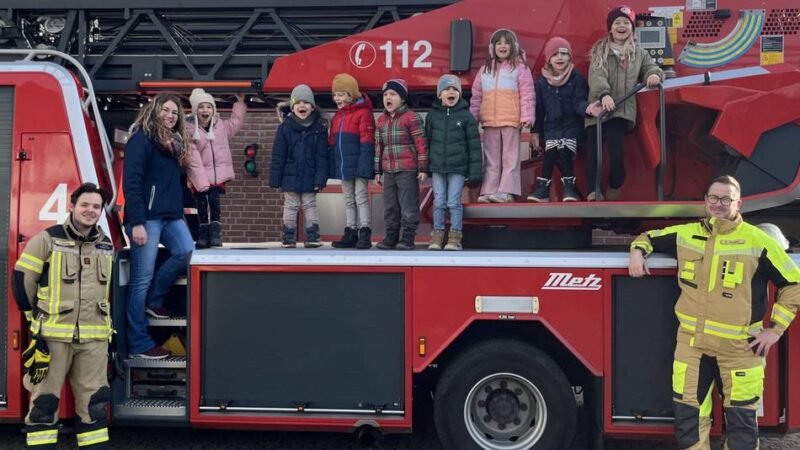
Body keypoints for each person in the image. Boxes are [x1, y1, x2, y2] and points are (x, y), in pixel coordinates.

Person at [628, 175, 800, 450]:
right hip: (692, 348)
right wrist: (637, 251)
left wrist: (775, 330)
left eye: (725, 199)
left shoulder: (758, 242)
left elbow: (794, 283)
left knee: (742, 426)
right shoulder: (685, 234)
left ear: (738, 203)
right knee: (688, 422)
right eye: (713, 198)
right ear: (706, 200)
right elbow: (648, 237)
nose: (718, 204)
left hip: (740, 351)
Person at [13, 183, 114, 449]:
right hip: (52, 339)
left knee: (95, 405)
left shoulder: (105, 245)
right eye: (85, 205)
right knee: (44, 404)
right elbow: (22, 280)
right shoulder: (47, 239)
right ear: (72, 206)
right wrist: (33, 322)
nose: (90, 211)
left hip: (94, 340)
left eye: (96, 206)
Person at [123, 93, 194, 359]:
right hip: (146, 219)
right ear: (154, 110)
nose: (170, 115)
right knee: (140, 280)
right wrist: (137, 223)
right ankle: (139, 343)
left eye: (175, 113)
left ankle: (154, 301)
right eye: (166, 110)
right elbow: (131, 183)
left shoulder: (174, 145)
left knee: (188, 254)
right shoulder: (140, 140)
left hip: (171, 215)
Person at [585, 5, 663, 201]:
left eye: (626, 23)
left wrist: (653, 74)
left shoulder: (639, 53)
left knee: (617, 156)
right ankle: (593, 192)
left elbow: (652, 67)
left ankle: (614, 188)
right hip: (598, 112)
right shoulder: (600, 51)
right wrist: (604, 95)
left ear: (632, 28)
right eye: (617, 23)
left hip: (621, 112)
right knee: (594, 155)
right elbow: (597, 75)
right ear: (610, 28)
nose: (621, 26)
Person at [528, 37, 600, 203]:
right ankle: (543, 189)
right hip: (552, 127)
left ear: (570, 57)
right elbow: (539, 110)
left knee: (564, 151)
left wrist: (587, 108)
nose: (559, 58)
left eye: (564, 53)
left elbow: (578, 102)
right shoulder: (542, 83)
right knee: (550, 154)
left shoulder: (577, 79)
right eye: (555, 55)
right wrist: (535, 131)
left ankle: (569, 188)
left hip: (572, 126)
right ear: (549, 59)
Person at [469, 28, 534, 203]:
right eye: (499, 43)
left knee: (510, 157)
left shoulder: (520, 68)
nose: (503, 46)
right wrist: (471, 120)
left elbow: (527, 93)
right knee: (491, 158)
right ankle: (489, 190)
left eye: (507, 43)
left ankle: (507, 191)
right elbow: (476, 97)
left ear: (514, 46)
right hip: (490, 121)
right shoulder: (484, 71)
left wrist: (527, 116)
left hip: (511, 120)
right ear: (492, 48)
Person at [425, 74, 482, 250]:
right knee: (439, 201)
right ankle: (437, 236)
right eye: (447, 89)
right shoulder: (432, 116)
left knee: (453, 202)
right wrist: (425, 167)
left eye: (455, 90)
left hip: (458, 167)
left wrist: (475, 172)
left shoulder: (466, 117)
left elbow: (474, 146)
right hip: (437, 168)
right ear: (439, 94)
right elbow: (427, 142)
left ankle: (455, 238)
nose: (451, 92)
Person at [185, 88, 247, 248]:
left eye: (208, 107)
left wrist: (239, 103)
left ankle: (215, 234)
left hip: (217, 175)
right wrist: (200, 180)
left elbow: (236, 122)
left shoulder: (221, 126)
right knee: (202, 204)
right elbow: (192, 157)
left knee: (214, 202)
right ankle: (203, 234)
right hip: (200, 175)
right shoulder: (189, 129)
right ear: (195, 110)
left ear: (213, 110)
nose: (205, 110)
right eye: (201, 107)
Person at [269, 84, 329, 248]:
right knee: (291, 205)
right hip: (290, 175)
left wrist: (320, 178)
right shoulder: (285, 128)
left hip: (310, 175)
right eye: (298, 103)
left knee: (310, 204)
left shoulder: (319, 129)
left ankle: (313, 235)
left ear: (312, 107)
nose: (302, 106)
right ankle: (288, 235)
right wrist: (275, 178)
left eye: (306, 103)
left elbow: (322, 157)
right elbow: (278, 155)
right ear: (293, 107)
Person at [374, 79, 428, 250]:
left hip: (407, 169)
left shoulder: (411, 117)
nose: (388, 98)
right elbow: (378, 146)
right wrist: (377, 170)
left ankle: (408, 237)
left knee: (408, 204)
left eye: (393, 94)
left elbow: (421, 143)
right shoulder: (381, 120)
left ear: (403, 98)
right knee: (390, 205)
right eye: (385, 95)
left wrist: (423, 167)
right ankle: (391, 236)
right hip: (389, 170)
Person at [328, 73, 376, 249]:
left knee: (360, 197)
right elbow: (333, 143)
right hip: (344, 167)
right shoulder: (337, 117)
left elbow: (367, 142)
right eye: (335, 95)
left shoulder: (363, 114)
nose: (337, 98)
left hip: (359, 165)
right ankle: (351, 231)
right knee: (348, 199)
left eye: (341, 94)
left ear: (351, 95)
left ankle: (365, 231)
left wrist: (365, 167)